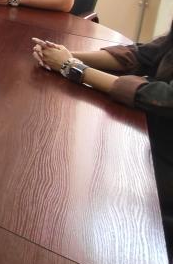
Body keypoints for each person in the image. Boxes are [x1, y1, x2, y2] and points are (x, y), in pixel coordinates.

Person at [30, 27, 173, 238]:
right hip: (152, 141)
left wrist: (73, 67)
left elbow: (165, 97)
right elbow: (139, 55)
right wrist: (61, 55)